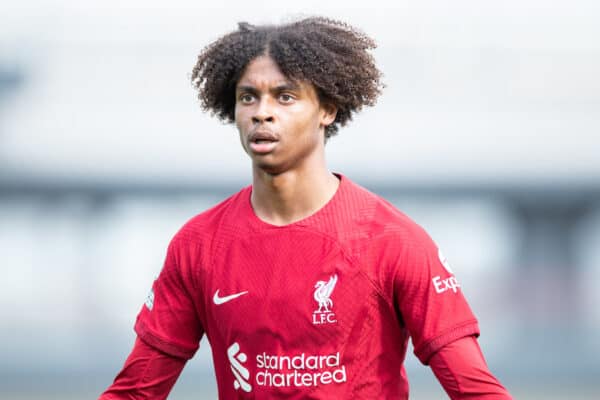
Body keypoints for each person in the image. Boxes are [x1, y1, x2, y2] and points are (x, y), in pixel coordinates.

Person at [99, 17, 512, 399]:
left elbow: (475, 390)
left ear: (327, 110)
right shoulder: (198, 245)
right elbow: (135, 391)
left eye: (285, 97)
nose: (263, 112)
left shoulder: (393, 241)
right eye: (249, 97)